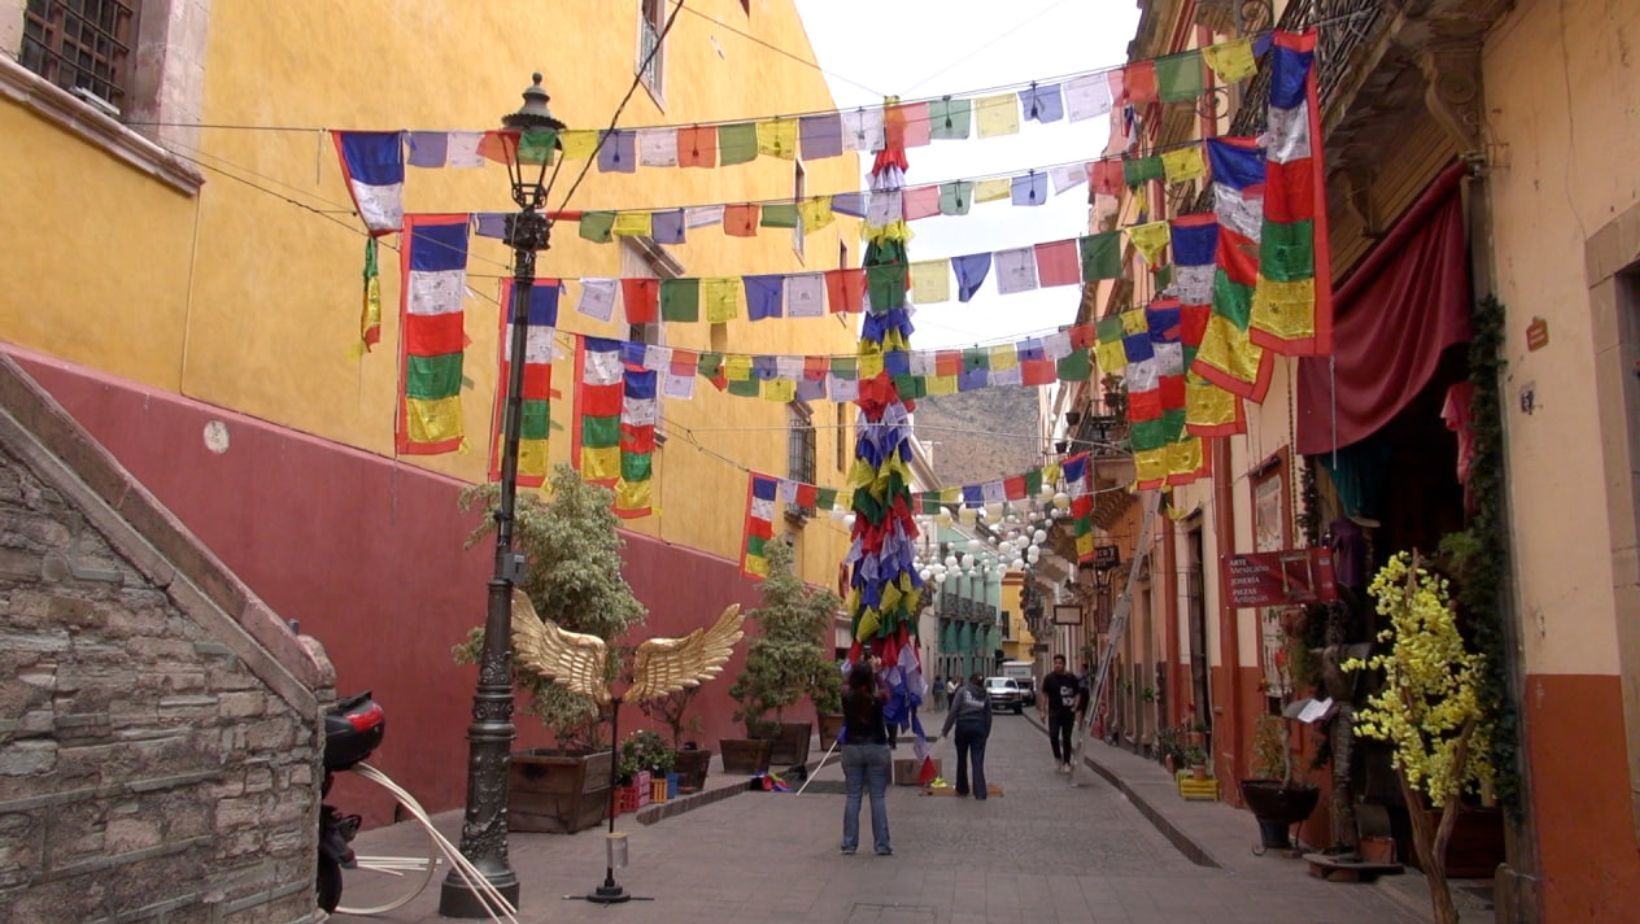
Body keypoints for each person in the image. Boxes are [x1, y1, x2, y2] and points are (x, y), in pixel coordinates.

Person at [839, 662, 892, 856]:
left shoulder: (847, 697)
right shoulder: (876, 700)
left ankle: (849, 843)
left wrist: (851, 672)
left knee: (853, 796)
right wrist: (877, 676)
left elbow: (844, 685)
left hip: (851, 747)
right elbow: (887, 692)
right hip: (876, 747)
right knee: (878, 797)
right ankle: (882, 845)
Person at [941, 673, 992, 799]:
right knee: (978, 761)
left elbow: (953, 711)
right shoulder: (985, 696)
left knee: (961, 758)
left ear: (970, 681)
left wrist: (945, 730)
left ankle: (962, 788)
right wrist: (986, 733)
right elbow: (988, 716)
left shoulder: (962, 692)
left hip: (963, 727)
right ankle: (980, 792)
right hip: (979, 729)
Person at [1042, 655, 1080, 773]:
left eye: (1060, 663)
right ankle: (1058, 757)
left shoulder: (1071, 678)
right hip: (1054, 712)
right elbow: (1044, 694)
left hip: (1068, 712)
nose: (1058, 665)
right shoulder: (1049, 678)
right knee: (1053, 735)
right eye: (1056, 663)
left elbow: (1077, 693)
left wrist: (1075, 706)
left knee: (1066, 737)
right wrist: (1043, 711)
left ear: (1064, 664)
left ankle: (1067, 762)